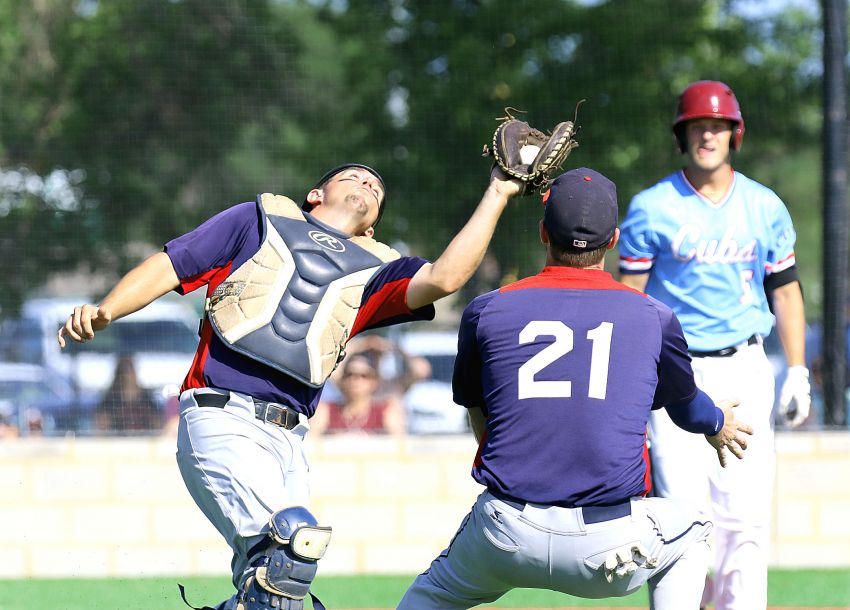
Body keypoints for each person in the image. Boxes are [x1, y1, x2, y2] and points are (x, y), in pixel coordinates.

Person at [57, 162, 522, 610]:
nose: (366, 184)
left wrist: (498, 192)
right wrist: (108, 310)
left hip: (290, 439)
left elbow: (446, 277)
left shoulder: (376, 271)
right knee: (287, 551)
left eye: (377, 189)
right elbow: (171, 265)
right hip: (222, 416)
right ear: (316, 194)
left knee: (278, 587)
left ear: (373, 228)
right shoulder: (257, 220)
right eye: (352, 177)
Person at [398, 167, 753, 610]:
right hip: (609, 546)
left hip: (506, 531)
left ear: (544, 233)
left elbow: (477, 410)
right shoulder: (652, 316)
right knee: (694, 526)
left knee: (428, 597)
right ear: (615, 239)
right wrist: (718, 423)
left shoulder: (486, 310)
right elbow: (688, 412)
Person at [618, 80, 810, 609]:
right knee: (677, 513)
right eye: (697, 125)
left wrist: (798, 370)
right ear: (682, 135)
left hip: (744, 369)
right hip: (674, 376)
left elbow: (786, 291)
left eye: (718, 125)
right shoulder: (651, 207)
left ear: (735, 133)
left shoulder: (764, 205)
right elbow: (630, 303)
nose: (708, 134)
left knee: (742, 517)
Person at [311, 353, 404, 435]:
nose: (355, 380)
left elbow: (399, 445)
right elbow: (311, 443)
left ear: (374, 381)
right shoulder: (326, 410)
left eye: (363, 375)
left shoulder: (386, 410)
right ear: (342, 379)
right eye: (349, 374)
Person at [95, 355, 161, 433]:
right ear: (119, 374)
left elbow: (158, 425)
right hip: (118, 443)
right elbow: (101, 427)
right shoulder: (110, 400)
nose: (129, 374)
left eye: (131, 368)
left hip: (144, 442)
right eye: (125, 369)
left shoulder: (146, 398)